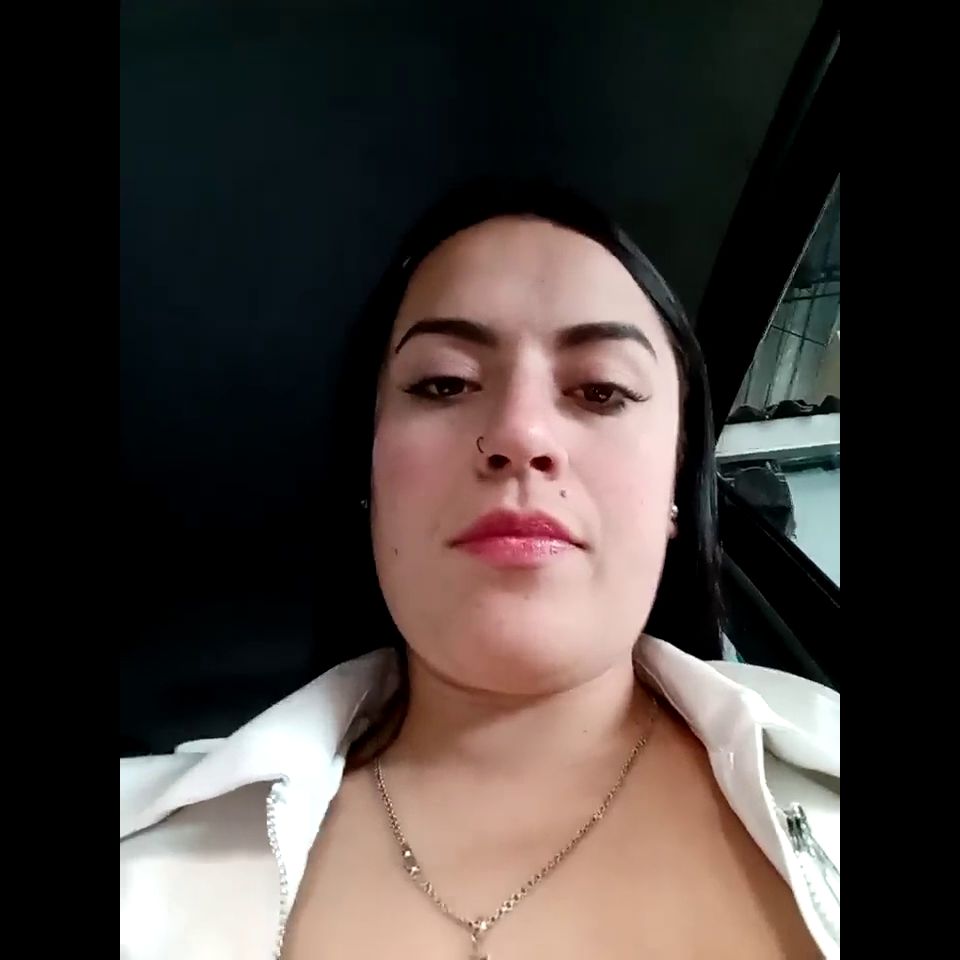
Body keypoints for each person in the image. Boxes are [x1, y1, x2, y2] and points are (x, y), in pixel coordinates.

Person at [120, 179, 839, 960]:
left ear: (677, 479)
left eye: (600, 390)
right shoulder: (143, 853)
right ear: (370, 478)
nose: (520, 432)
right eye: (444, 384)